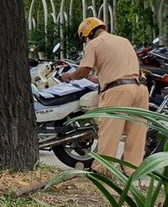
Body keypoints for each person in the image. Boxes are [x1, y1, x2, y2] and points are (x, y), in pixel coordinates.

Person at [63, 17, 149, 175]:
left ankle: (103, 170)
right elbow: (122, 67)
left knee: (110, 132)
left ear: (87, 34)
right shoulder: (124, 41)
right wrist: (99, 78)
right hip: (140, 89)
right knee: (136, 133)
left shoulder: (94, 44)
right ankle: (132, 172)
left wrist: (68, 77)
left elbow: (83, 71)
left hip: (118, 91)